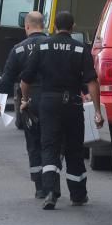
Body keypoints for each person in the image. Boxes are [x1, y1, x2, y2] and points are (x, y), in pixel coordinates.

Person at [20, 11, 103, 210]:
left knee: (49, 147)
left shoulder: (42, 46)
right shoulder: (80, 48)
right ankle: (78, 195)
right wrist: (97, 111)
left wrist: (24, 100)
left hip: (48, 103)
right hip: (72, 103)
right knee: (74, 149)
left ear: (54, 26)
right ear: (72, 26)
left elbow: (25, 80)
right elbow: (92, 81)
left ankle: (50, 192)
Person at [0, 11, 47, 198]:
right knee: (52, 144)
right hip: (52, 100)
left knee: (33, 144)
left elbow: (7, 78)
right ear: (44, 24)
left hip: (29, 102)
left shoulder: (18, 50)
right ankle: (52, 183)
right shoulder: (52, 46)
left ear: (26, 26)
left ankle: (40, 187)